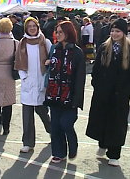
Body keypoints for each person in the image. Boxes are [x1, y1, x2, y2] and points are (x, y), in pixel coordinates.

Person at [86, 19, 130, 167]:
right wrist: (97, 85)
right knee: (102, 120)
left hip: (120, 96)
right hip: (103, 93)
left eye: (118, 31)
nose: (114, 34)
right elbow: (96, 70)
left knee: (117, 124)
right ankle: (102, 143)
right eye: (112, 31)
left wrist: (126, 92)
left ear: (124, 33)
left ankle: (114, 153)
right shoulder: (104, 48)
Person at [44, 21, 85, 164]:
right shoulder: (55, 48)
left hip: (69, 96)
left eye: (61, 32)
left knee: (66, 124)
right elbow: (51, 69)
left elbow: (80, 78)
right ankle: (58, 153)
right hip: (54, 93)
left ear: (68, 33)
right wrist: (48, 63)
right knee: (55, 126)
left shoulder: (77, 52)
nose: (58, 34)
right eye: (57, 31)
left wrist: (77, 100)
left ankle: (72, 145)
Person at [14, 17, 52, 153]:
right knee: (27, 114)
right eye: (29, 26)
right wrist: (24, 77)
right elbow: (18, 62)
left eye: (34, 26)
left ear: (37, 27)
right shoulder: (22, 43)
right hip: (28, 83)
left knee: (42, 112)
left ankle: (52, 131)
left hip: (41, 82)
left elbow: (52, 58)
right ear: (26, 28)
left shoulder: (45, 42)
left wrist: (47, 69)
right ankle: (28, 142)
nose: (32, 28)